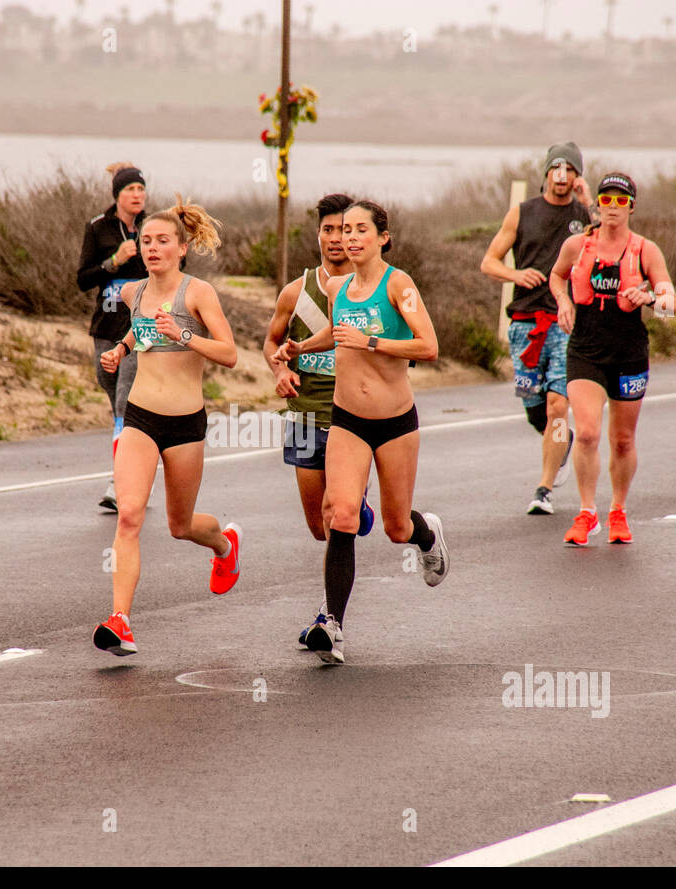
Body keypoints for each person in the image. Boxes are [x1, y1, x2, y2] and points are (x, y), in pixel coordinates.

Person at [275, 200, 449, 665]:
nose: (350, 238)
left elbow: (428, 345)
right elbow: (337, 331)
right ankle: (332, 627)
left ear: (382, 238)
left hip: (394, 423)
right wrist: (300, 347)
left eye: (360, 231)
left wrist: (372, 341)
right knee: (343, 515)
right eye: (345, 230)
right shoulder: (339, 287)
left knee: (395, 527)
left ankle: (426, 534)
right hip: (347, 419)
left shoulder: (400, 285)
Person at [92, 197, 240, 657]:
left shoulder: (198, 294)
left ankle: (224, 543)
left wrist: (185, 336)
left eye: (162, 241)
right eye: (146, 240)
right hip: (140, 417)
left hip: (185, 423)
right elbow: (141, 330)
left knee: (180, 525)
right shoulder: (132, 292)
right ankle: (121, 621)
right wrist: (122, 349)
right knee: (130, 516)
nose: (152, 248)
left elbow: (230, 353)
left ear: (182, 248)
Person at [262, 193, 374, 647]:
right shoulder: (297, 290)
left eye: (344, 231)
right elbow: (272, 343)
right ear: (319, 235)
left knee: (337, 514)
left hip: (355, 417)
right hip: (305, 417)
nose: (335, 239)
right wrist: (280, 369)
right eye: (327, 230)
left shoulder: (373, 289)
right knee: (317, 525)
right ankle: (356, 511)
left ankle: (331, 618)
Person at [548, 172, 675, 547]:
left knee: (622, 440)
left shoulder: (645, 250)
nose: (613, 207)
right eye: (606, 199)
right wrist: (564, 301)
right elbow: (555, 277)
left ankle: (617, 510)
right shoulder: (577, 245)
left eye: (621, 201)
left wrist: (651, 298)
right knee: (586, 432)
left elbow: (670, 297)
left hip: (629, 352)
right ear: (598, 204)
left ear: (632, 206)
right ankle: (587, 512)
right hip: (585, 348)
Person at [480, 142, 591, 514]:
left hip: (566, 321)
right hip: (525, 324)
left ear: (577, 176)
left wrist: (590, 202)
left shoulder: (584, 216)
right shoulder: (522, 213)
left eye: (570, 170)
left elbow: (609, 244)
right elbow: (489, 262)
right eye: (557, 168)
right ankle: (561, 442)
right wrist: (516, 274)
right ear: (546, 172)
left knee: (558, 403)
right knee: (536, 410)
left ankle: (544, 489)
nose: (563, 175)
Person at [77, 162, 148, 512]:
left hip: (138, 332)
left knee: (124, 404)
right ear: (117, 195)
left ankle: (120, 484)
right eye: (130, 190)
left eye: (141, 189)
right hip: (105, 328)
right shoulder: (98, 228)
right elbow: (82, 279)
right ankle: (141, 465)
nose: (137, 195)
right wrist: (113, 262)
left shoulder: (153, 228)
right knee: (116, 402)